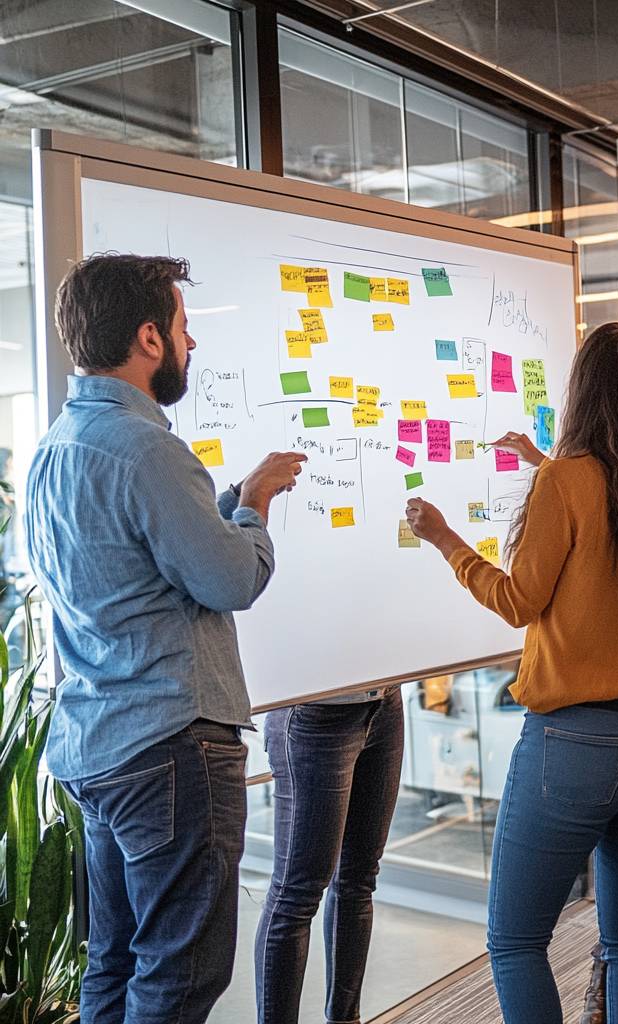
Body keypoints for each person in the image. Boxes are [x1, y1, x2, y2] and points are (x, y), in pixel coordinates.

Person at [405, 322, 618, 1024]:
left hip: (576, 746)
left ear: (583, 394)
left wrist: (446, 538)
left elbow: (519, 600)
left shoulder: (566, 482)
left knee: (515, 940)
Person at [25, 253, 305, 1024]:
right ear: (149, 338)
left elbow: (129, 559)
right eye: (184, 329)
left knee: (113, 968)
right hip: (170, 750)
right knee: (179, 980)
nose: (191, 345)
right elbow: (231, 580)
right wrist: (251, 507)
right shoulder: (149, 450)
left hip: (100, 747)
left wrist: (218, 502)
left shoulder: (56, 449)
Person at [253, 680, 403, 1024]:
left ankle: (345, 1017)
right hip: (314, 708)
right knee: (296, 895)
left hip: (385, 698)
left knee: (359, 878)